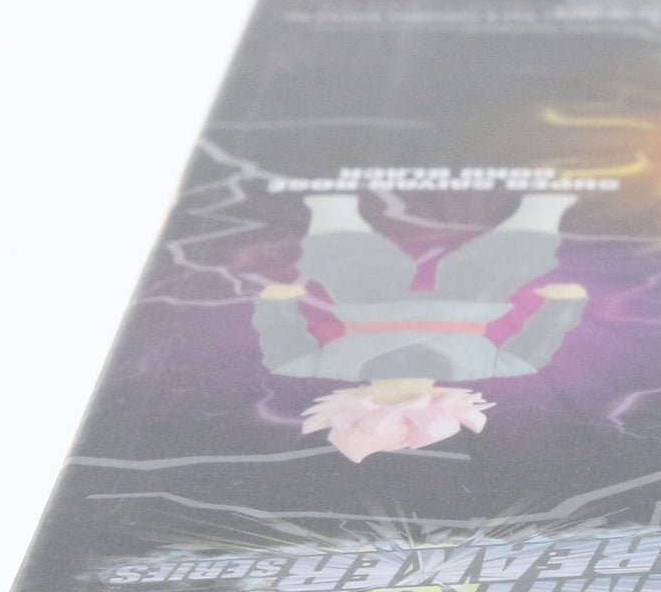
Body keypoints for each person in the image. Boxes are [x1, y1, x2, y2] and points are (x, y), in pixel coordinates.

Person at [252, 190, 588, 461]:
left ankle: (332, 209)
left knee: (352, 263)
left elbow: (285, 350)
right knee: (496, 266)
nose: (402, 386)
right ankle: (542, 209)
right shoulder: (481, 366)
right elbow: (533, 349)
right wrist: (564, 306)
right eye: (411, 399)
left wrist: (276, 305)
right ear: (439, 399)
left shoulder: (330, 365)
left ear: (360, 398)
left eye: (387, 400)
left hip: (369, 305)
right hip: (468, 307)